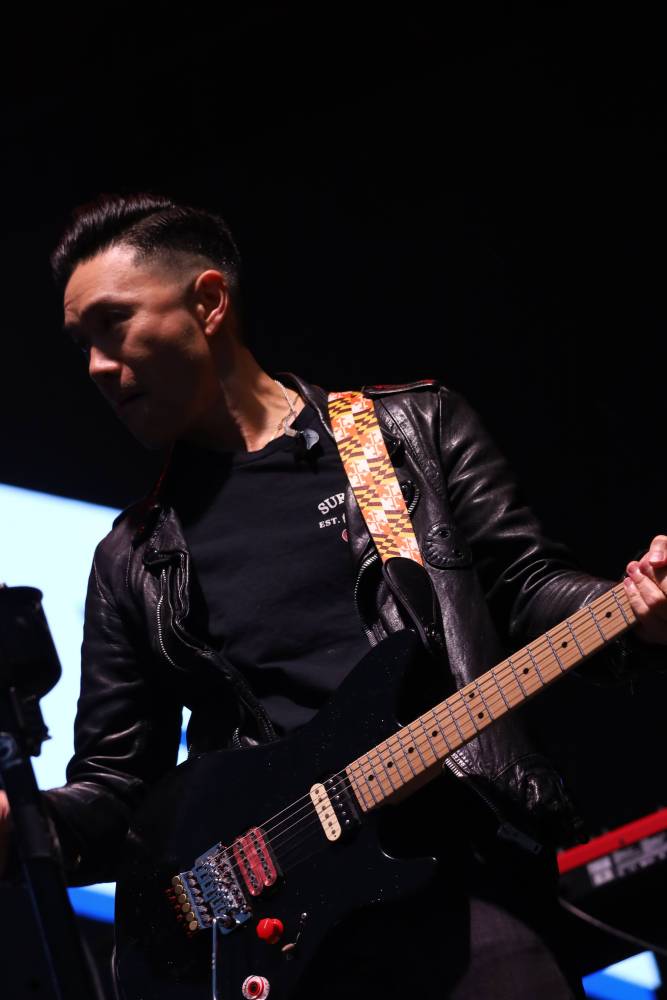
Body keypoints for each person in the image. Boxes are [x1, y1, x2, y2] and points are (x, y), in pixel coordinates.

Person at [1, 192, 666, 998]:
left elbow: (524, 589)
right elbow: (118, 787)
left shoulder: (397, 439)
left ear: (208, 303)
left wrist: (636, 608)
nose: (97, 368)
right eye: (82, 344)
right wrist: (22, 822)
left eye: (113, 325)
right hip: (285, 945)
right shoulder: (133, 556)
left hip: (462, 885)